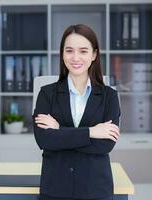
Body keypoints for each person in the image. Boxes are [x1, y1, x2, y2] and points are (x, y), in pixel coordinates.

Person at [33, 24, 120, 200]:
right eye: (69, 50)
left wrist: (60, 130)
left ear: (94, 55)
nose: (75, 57)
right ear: (62, 54)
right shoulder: (47, 93)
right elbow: (44, 139)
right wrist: (91, 132)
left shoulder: (109, 96)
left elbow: (105, 145)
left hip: (95, 190)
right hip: (56, 189)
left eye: (83, 51)